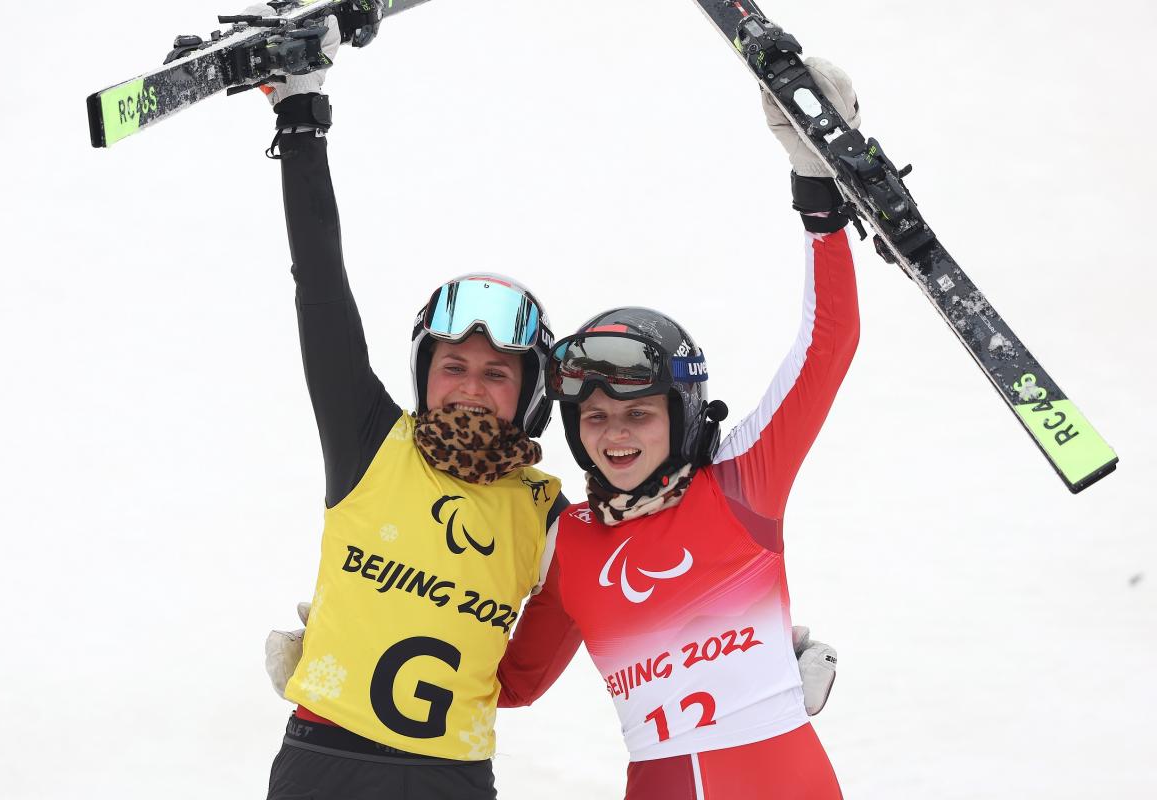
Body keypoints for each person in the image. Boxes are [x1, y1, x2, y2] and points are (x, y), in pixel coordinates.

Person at [487, 60, 863, 799]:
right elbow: (511, 682)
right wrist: (361, 644)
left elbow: (829, 345)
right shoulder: (570, 544)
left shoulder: (742, 483)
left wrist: (817, 188)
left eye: (638, 413)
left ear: (681, 416)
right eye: (593, 416)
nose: (613, 433)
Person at [249, 10, 578, 800]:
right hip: (320, 763)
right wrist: (301, 117)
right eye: (453, 364)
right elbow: (320, 286)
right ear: (422, 372)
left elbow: (538, 668)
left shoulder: (548, 515)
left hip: (447, 779)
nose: (469, 384)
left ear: (530, 396)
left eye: (496, 374)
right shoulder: (370, 441)